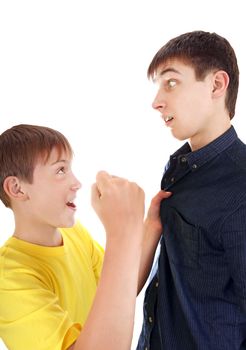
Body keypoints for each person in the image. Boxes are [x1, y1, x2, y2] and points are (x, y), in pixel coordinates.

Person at [0, 124, 170, 350]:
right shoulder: (8, 277)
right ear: (17, 189)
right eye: (60, 170)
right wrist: (121, 232)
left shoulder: (74, 233)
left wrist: (151, 226)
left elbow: (119, 291)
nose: (76, 183)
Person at [136, 31, 246, 350]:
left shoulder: (240, 183)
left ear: (216, 85)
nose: (157, 101)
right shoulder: (178, 170)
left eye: (171, 82)